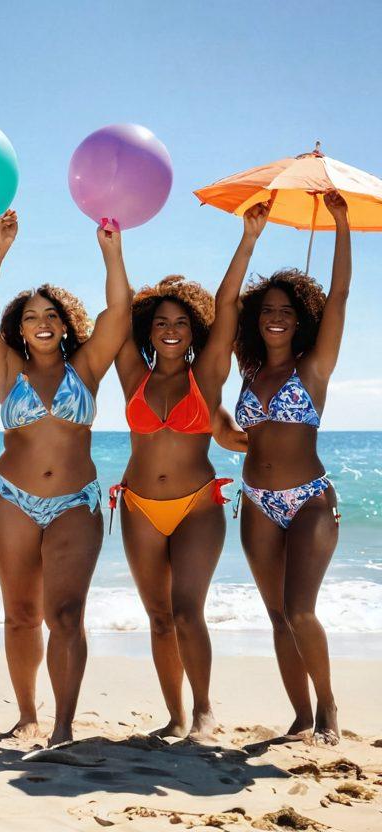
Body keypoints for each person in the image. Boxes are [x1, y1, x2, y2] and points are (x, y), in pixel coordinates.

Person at [0, 210, 130, 746]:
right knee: (19, 616)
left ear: (64, 323)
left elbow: (120, 311)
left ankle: (63, 725)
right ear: (21, 324)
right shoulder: (6, 370)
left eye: (51, 314)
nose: (41, 322)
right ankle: (27, 714)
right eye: (32, 314)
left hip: (75, 504)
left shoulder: (86, 367)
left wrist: (110, 252)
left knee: (65, 613)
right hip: (10, 500)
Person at [220, 193, 351, 744]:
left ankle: (328, 708)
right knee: (275, 616)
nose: (275, 317)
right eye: (267, 310)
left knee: (300, 611)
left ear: (302, 320)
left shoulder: (314, 366)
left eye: (286, 311)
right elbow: (225, 304)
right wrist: (248, 239)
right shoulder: (248, 371)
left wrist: (342, 224)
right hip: (256, 501)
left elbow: (340, 294)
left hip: (309, 500)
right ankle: (299, 716)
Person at [110, 266, 248, 739]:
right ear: (148, 329)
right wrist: (114, 247)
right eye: (162, 323)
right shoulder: (131, 373)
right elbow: (118, 303)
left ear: (195, 330)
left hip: (197, 507)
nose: (171, 331)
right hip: (139, 509)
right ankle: (175, 716)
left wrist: (248, 239)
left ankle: (204, 709)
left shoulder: (207, 375)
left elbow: (227, 304)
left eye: (181, 323)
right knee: (160, 618)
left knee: (188, 611)